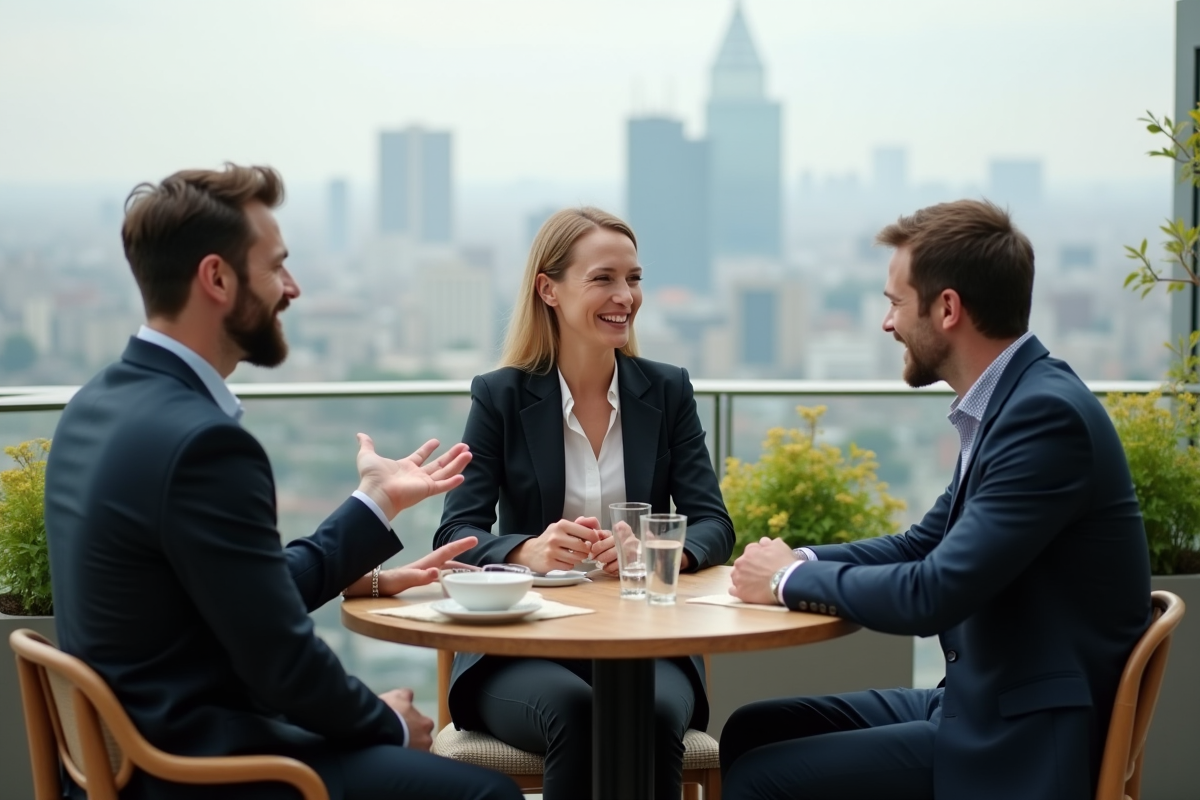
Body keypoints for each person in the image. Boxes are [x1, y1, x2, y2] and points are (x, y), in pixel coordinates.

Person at [44, 164, 522, 800]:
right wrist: (386, 721)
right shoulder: (203, 443)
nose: (291, 288)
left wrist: (374, 503)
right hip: (205, 774)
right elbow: (283, 666)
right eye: (276, 267)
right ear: (216, 278)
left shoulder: (94, 406)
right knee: (486, 794)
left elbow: (243, 597)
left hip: (134, 761)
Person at [722, 199, 1151, 800]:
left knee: (760, 778)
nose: (887, 323)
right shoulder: (1016, 401)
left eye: (895, 302)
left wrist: (787, 581)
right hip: (982, 700)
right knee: (753, 729)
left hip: (1023, 735)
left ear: (947, 308)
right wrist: (804, 560)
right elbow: (924, 542)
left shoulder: (1043, 418)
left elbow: (934, 593)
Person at [433, 207, 735, 799]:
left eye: (634, 278)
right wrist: (528, 550)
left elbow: (713, 525)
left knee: (646, 718)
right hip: (519, 645)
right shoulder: (500, 395)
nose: (625, 296)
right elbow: (455, 534)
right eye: (603, 278)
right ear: (549, 289)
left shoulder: (667, 390)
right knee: (575, 711)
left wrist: (654, 555)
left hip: (650, 641)